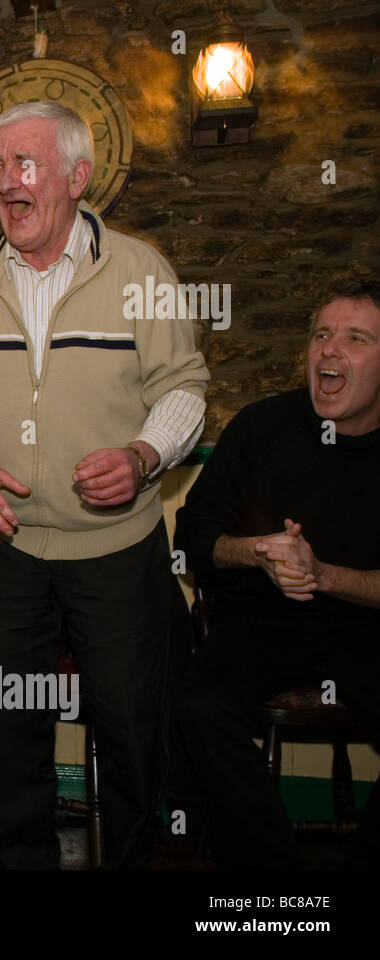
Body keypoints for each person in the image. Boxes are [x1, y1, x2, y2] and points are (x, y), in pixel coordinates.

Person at [0, 101, 209, 868]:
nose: (6, 183)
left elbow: (185, 388)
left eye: (26, 165)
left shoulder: (141, 270)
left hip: (117, 554)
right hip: (8, 551)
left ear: (79, 177)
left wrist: (146, 454)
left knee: (129, 729)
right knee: (10, 738)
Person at [175, 278, 380, 868]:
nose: (329, 350)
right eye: (321, 334)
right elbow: (191, 536)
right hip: (262, 625)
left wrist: (325, 574)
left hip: (366, 629)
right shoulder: (264, 427)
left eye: (355, 338)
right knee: (200, 706)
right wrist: (257, 552)